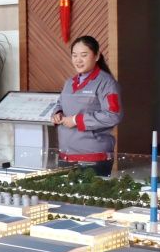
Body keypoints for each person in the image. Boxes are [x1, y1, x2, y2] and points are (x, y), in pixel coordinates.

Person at [51, 35, 122, 177]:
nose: (78, 60)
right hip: (66, 156)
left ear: (97, 56)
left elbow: (113, 115)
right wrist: (57, 113)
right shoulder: (69, 82)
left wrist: (76, 120)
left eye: (84, 55)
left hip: (93, 158)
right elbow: (60, 103)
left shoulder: (106, 83)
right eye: (74, 55)